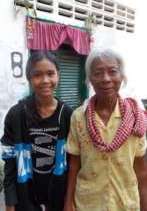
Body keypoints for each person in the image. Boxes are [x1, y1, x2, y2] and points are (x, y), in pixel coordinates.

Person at [64, 48, 147, 211]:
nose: (106, 79)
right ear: (90, 79)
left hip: (125, 204)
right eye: (98, 73)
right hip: (88, 204)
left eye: (113, 72)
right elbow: (74, 164)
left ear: (121, 77)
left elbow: (141, 171)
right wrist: (68, 202)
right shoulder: (79, 117)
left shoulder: (136, 118)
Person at [1, 50, 72, 211]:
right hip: (25, 198)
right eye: (37, 75)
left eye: (50, 73)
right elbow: (10, 162)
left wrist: (70, 199)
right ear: (29, 78)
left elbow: (74, 161)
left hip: (58, 197)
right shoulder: (16, 115)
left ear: (58, 75)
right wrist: (10, 203)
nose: (45, 80)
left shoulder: (68, 115)